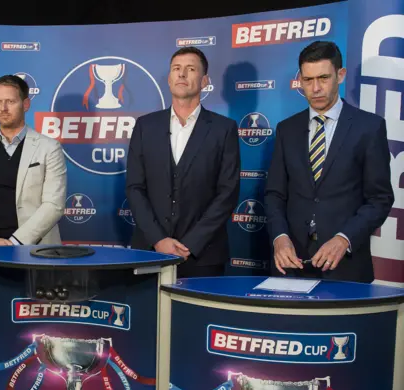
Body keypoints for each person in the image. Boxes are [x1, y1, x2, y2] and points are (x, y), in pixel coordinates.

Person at [264, 41, 394, 283]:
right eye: (308, 80)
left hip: (346, 268)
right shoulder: (287, 129)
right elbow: (275, 194)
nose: (315, 88)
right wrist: (279, 238)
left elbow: (380, 198)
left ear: (340, 75)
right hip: (292, 267)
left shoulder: (369, 127)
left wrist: (344, 239)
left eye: (323, 78)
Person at [125, 47, 241, 277]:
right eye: (176, 69)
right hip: (150, 251)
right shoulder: (145, 126)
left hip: (203, 255)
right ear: (169, 79)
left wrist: (190, 244)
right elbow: (135, 188)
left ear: (204, 81)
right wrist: (158, 239)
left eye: (190, 69)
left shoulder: (223, 129)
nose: (182, 74)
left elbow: (227, 193)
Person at [0, 75, 66, 246]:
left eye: (10, 101)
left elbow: (54, 205)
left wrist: (15, 242)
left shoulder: (49, 147)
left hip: (35, 250)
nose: (3, 108)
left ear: (25, 104)